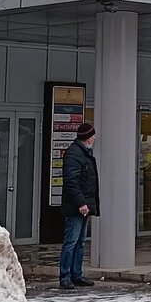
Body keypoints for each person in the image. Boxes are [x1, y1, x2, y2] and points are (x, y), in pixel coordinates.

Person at [59, 123, 99, 290]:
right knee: (71, 242)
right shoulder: (74, 155)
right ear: (88, 138)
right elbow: (72, 182)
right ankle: (65, 276)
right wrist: (81, 203)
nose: (95, 138)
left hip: (84, 205)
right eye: (93, 136)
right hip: (76, 206)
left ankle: (77, 274)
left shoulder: (83, 153)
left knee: (80, 242)